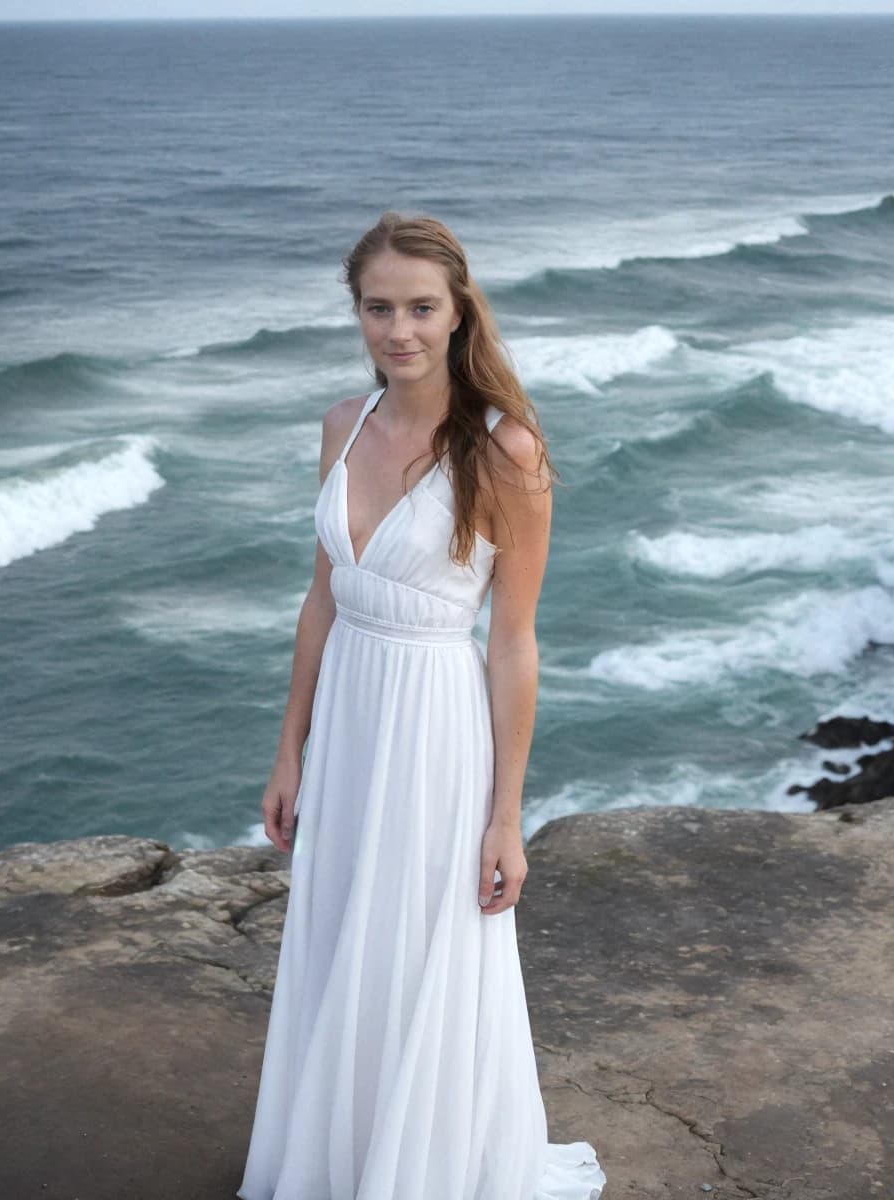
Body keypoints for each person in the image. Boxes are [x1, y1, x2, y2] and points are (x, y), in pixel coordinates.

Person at [236, 212, 606, 1200]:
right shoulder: (339, 426)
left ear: (457, 313)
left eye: (420, 307)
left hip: (436, 726)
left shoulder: (504, 453)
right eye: (377, 306)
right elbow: (322, 597)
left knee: (421, 945)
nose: (397, 328)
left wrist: (505, 817)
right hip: (350, 716)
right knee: (343, 935)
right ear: (356, 312)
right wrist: (289, 753)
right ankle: (345, 1159)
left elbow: (515, 643)